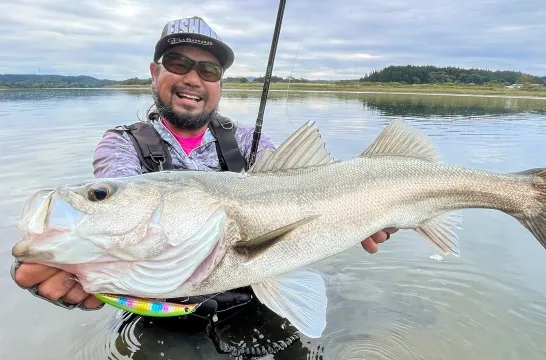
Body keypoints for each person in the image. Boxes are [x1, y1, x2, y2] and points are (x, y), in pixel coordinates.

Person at [10, 15, 397, 356]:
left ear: (219, 83)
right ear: (154, 72)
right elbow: (120, 222)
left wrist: (376, 206)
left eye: (209, 71)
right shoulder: (122, 144)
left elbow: (307, 188)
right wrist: (68, 261)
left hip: (256, 300)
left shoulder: (250, 141)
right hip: (163, 312)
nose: (193, 79)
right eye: (178, 63)